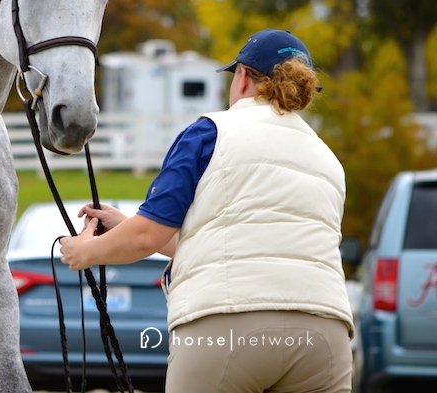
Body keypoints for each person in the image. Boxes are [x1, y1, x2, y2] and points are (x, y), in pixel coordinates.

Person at [59, 29, 354, 393]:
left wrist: (85, 252)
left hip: (228, 322)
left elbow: (147, 235)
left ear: (242, 76)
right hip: (324, 333)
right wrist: (124, 224)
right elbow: (236, 241)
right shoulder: (328, 159)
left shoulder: (210, 132)